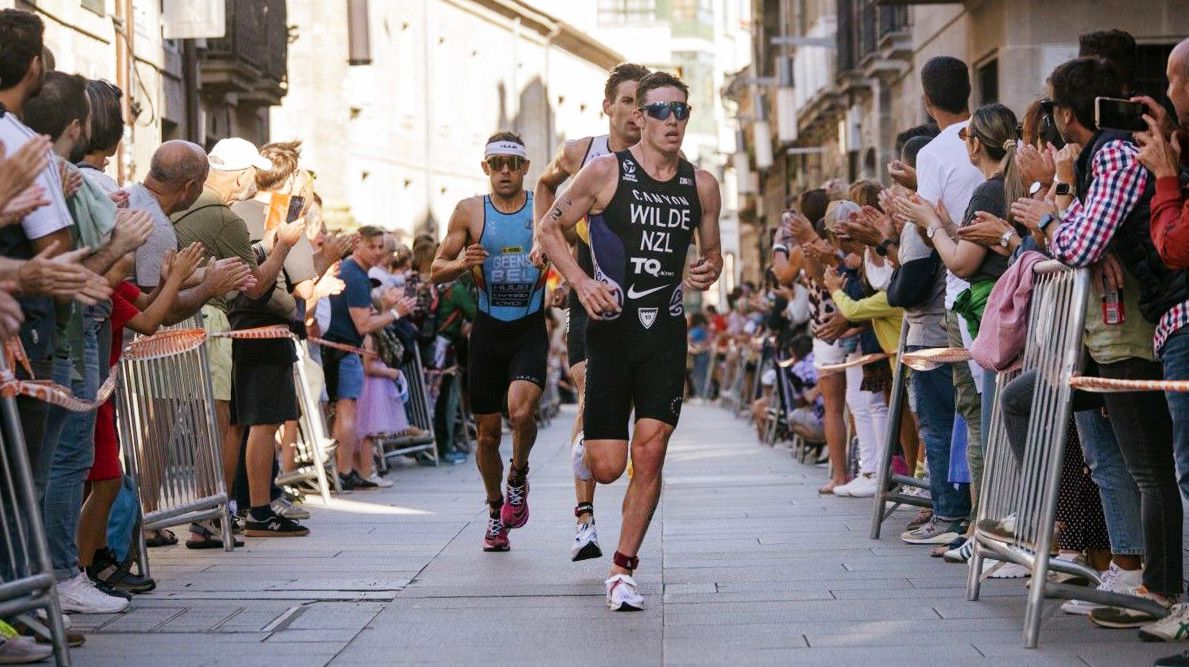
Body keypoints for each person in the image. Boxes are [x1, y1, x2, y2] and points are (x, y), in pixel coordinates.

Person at [537, 71, 722, 610]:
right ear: (638, 116)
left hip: (664, 332)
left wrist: (706, 271)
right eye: (661, 111)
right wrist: (580, 281)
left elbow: (710, 256)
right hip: (610, 334)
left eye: (681, 111)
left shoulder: (701, 184)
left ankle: (622, 568)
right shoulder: (603, 172)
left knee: (652, 450)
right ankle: (587, 450)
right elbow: (550, 229)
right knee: (607, 466)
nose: (672, 121)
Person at [1011, 55, 1183, 631]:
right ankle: (1100, 555)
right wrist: (1065, 213)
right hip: (1104, 336)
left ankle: (1157, 587)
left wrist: (1053, 213)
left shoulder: (1111, 152)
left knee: (1152, 469)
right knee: (1035, 409)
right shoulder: (1095, 156)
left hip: (1129, 333)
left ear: (1067, 112)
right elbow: (1085, 238)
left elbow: (1079, 243)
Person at [533, 61, 650, 562]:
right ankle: (584, 520)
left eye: (644, 105)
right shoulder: (582, 153)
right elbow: (544, 185)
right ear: (607, 106)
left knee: (619, 411)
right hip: (588, 288)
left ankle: (609, 481)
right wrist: (545, 237)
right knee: (590, 386)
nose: (635, 114)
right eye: (626, 102)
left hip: (638, 299)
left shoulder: (663, 159)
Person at [169, 137, 297, 547]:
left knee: (157, 426)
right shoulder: (225, 218)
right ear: (243, 175)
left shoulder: (179, 203)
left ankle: (150, 522)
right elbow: (258, 286)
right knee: (223, 422)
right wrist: (282, 247)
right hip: (205, 320)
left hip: (163, 319)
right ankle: (210, 518)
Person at [431, 131, 548, 552]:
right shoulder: (469, 211)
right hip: (487, 331)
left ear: (524, 168)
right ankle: (496, 509)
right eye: (496, 164)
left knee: (521, 410)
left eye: (512, 164)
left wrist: (563, 269)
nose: (504, 171)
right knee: (486, 434)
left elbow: (575, 251)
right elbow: (435, 268)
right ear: (485, 168)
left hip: (529, 326)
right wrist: (462, 262)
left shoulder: (545, 207)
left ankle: (518, 476)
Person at [323, 226, 413, 490]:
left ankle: (345, 470)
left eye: (380, 248)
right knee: (347, 411)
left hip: (343, 349)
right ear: (358, 244)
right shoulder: (356, 274)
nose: (377, 253)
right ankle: (344, 470)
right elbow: (362, 323)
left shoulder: (355, 272)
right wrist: (396, 313)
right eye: (371, 246)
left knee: (345, 411)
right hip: (345, 350)